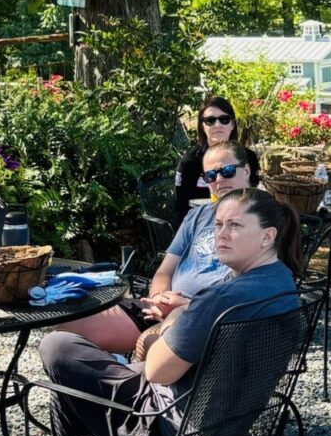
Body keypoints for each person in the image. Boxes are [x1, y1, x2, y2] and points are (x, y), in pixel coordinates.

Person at [11, 188, 303, 436]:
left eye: (236, 226)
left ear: (268, 236)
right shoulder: (283, 285)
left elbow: (155, 369)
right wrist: (180, 317)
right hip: (229, 427)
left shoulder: (221, 299)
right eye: (219, 224)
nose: (221, 234)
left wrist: (167, 326)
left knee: (58, 348)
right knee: (77, 375)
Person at [59, 140, 256, 357]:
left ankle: (126, 379)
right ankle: (115, 375)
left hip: (206, 319)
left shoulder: (261, 220)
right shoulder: (197, 215)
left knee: (150, 346)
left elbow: (249, 289)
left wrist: (189, 307)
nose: (219, 180)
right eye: (210, 175)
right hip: (163, 309)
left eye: (227, 171)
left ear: (246, 170)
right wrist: (159, 300)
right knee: (67, 331)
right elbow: (165, 270)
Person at [167, 96, 263, 234]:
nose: (217, 125)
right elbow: (181, 209)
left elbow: (253, 197)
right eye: (210, 121)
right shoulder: (189, 163)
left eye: (224, 119)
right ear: (202, 126)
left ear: (232, 124)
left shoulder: (249, 158)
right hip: (200, 228)